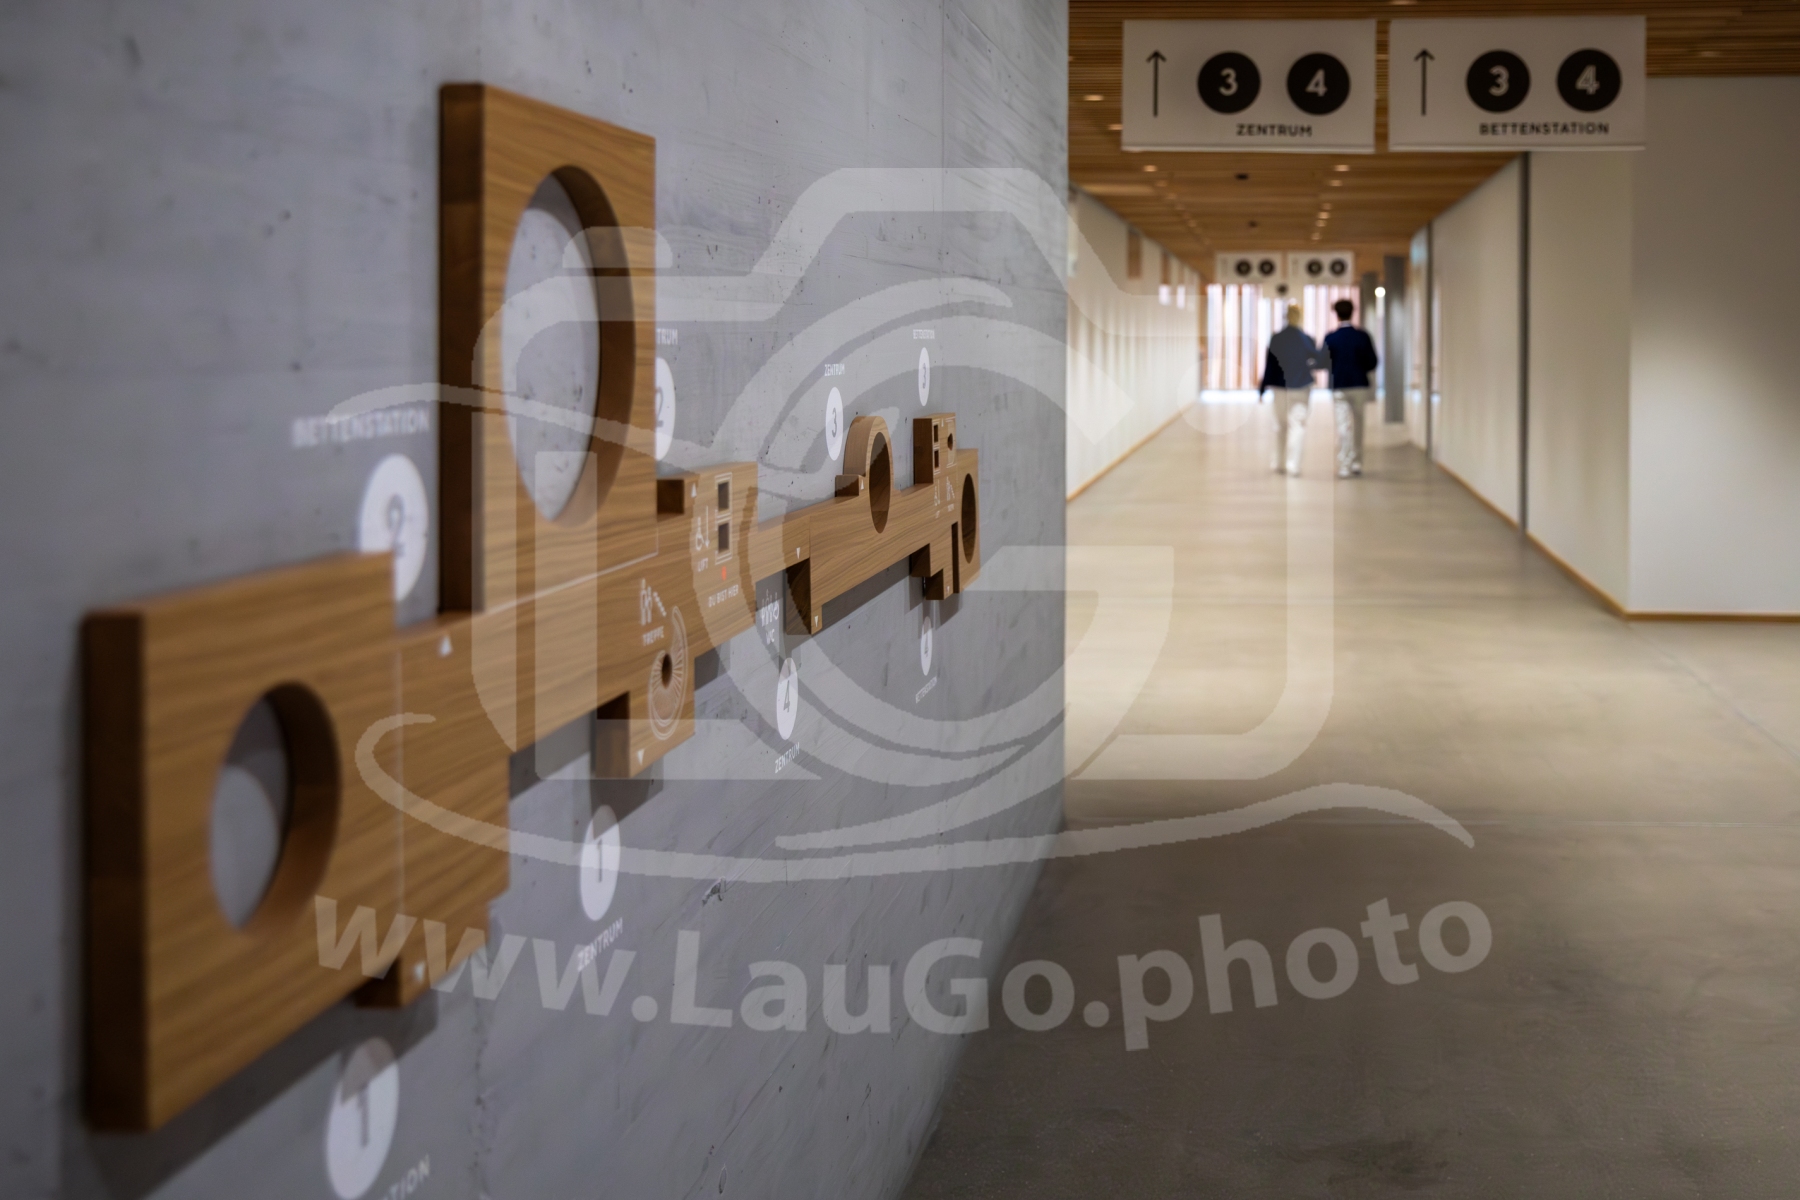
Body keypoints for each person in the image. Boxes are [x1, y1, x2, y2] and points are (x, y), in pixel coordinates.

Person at [1259, 304, 1327, 476]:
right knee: (1297, 425)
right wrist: (1309, 366)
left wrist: (1262, 389)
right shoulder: (1306, 338)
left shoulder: (1276, 338)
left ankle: (1278, 462)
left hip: (1280, 387)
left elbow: (1269, 365)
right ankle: (1293, 465)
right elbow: (1318, 358)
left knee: (1280, 425)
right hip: (1301, 386)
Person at [1323, 298, 1379, 478]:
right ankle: (1357, 462)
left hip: (1339, 385)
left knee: (1343, 426)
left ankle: (1344, 465)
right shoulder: (1362, 336)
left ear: (1336, 314)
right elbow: (1373, 362)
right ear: (1352, 313)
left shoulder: (1331, 338)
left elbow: (1323, 361)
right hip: (1359, 385)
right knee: (1358, 424)